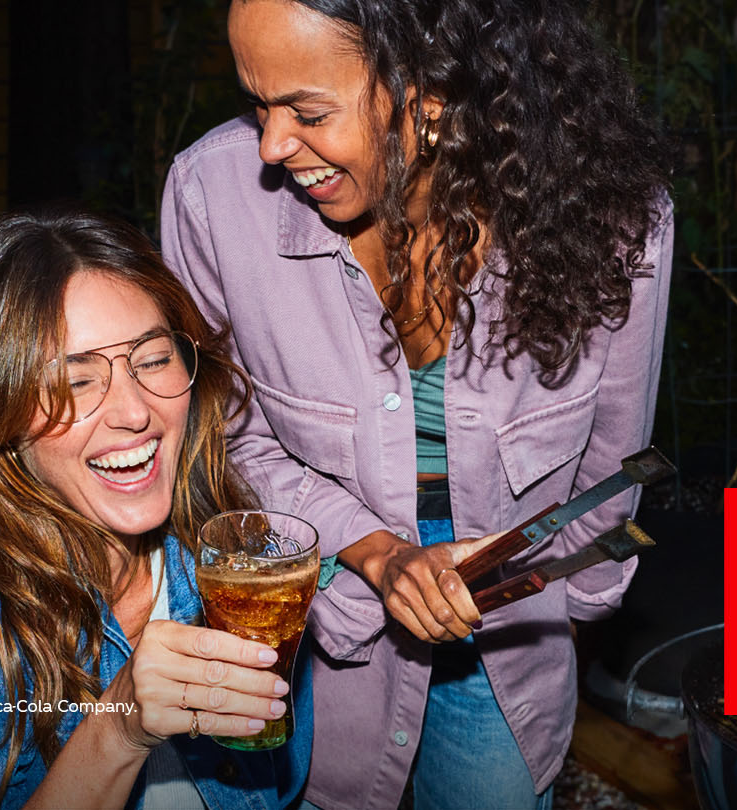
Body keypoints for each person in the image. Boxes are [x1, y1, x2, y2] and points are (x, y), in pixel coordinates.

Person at [160, 1, 673, 808]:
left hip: (509, 619)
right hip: (318, 601)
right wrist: (377, 553)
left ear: (429, 93)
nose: (271, 146)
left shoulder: (611, 216)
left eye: (307, 111)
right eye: (257, 103)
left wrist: (568, 609)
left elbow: (614, 451)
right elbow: (226, 442)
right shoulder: (212, 199)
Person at [0, 209, 311, 809]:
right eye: (74, 382)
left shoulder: (221, 537)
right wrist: (119, 728)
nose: (134, 412)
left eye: (154, 360)